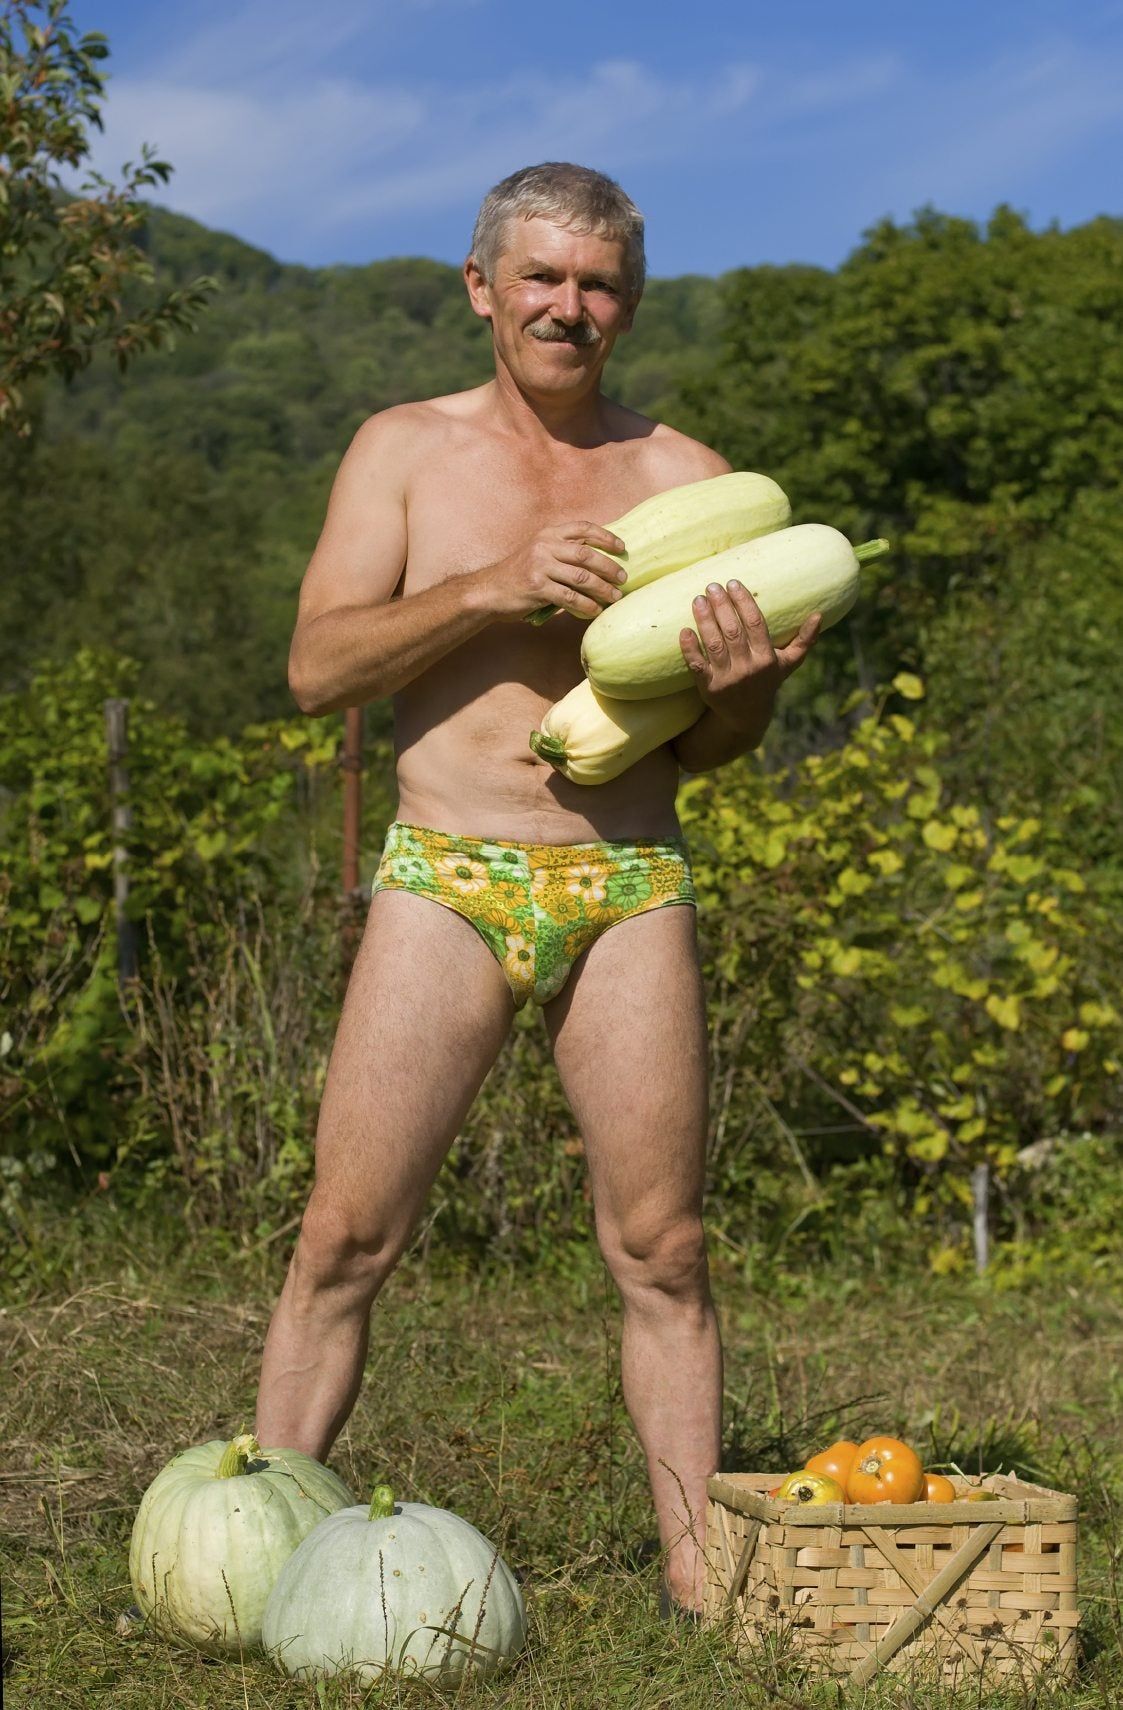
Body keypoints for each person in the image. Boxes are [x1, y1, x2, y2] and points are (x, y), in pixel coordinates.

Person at [255, 162, 819, 1617]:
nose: (571, 306)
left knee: (665, 1247)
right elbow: (318, 671)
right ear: (482, 289)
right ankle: (258, 1538)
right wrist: (491, 586)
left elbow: (714, 750)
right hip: (445, 872)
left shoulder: (693, 480)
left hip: (629, 878)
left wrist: (745, 695)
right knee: (343, 1236)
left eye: (601, 283)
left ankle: (699, 1579)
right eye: (545, 278)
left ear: (629, 304)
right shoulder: (402, 452)